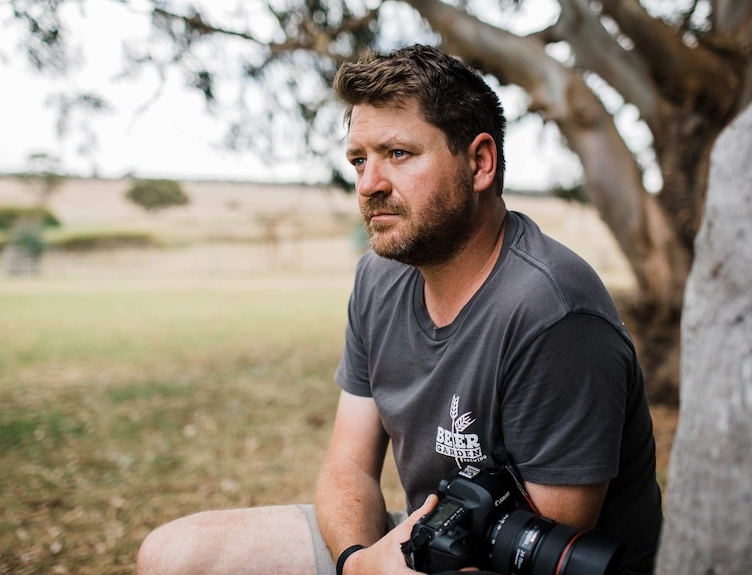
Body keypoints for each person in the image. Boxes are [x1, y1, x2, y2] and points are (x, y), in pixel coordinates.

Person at [135, 44, 663, 575]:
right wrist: (357, 562)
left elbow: (537, 553)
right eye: (360, 160)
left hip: (516, 566)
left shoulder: (553, 313)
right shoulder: (378, 276)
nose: (369, 185)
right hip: (417, 546)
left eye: (399, 154)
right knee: (173, 555)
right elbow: (349, 467)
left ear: (480, 163)